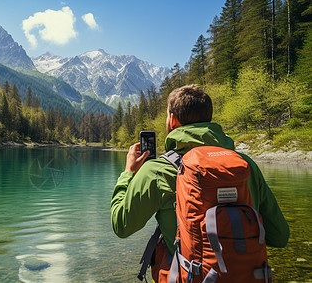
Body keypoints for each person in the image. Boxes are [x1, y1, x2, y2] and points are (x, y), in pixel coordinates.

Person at [110, 84, 289, 270]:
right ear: (208, 119)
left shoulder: (157, 171)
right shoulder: (245, 165)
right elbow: (279, 236)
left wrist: (128, 173)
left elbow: (121, 225)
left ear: (172, 120)